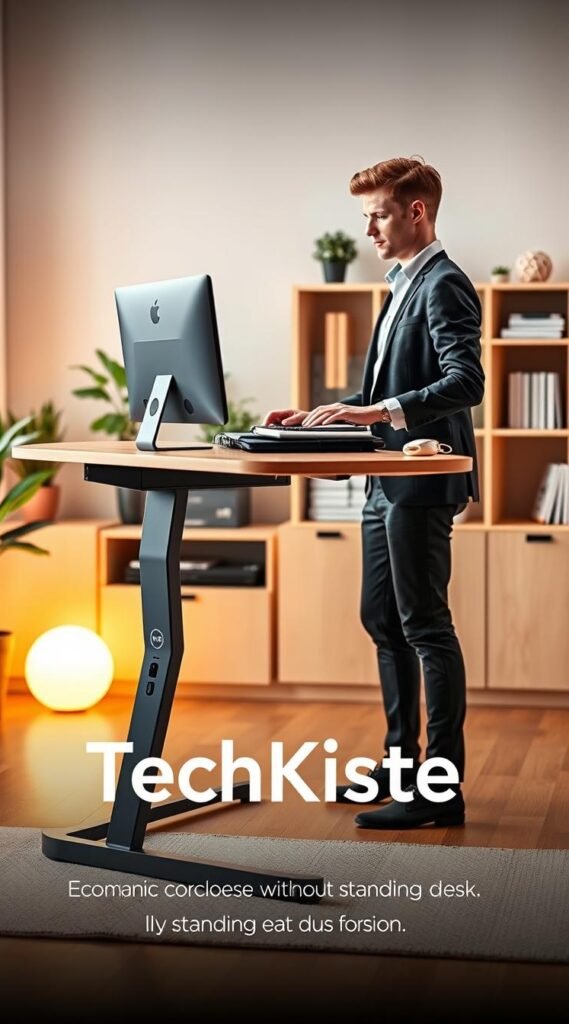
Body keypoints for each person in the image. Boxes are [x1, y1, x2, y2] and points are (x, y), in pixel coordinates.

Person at [263, 156, 484, 829]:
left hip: (420, 480)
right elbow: (377, 396)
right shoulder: (397, 288)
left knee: (424, 626)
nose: (369, 230)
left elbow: (465, 381)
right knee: (381, 621)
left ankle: (440, 790)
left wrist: (373, 415)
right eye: (365, 217)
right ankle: (398, 766)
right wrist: (321, 415)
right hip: (383, 481)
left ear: (416, 211)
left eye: (379, 214)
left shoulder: (443, 285)